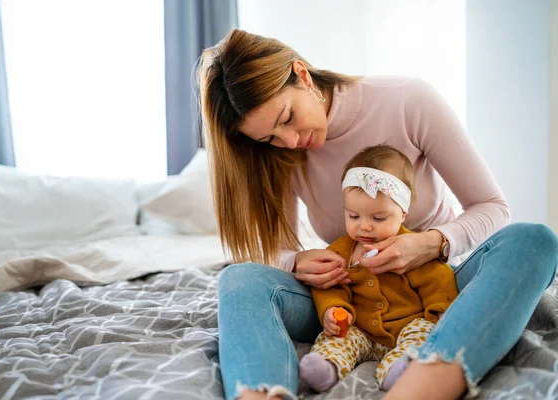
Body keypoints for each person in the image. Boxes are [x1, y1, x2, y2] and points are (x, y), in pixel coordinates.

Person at [197, 28, 558, 400]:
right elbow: (274, 248)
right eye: (268, 139)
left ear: (302, 74)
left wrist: (429, 245)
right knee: (238, 279)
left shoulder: (406, 100)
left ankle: (419, 390)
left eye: (287, 118)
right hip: (348, 302)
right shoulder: (281, 153)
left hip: (436, 289)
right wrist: (295, 261)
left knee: (534, 240)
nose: (288, 142)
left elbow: (493, 208)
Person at [298, 145, 459, 393]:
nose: (365, 227)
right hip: (362, 330)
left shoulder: (411, 248)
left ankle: (400, 369)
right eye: (353, 216)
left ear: (402, 213)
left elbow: (438, 281)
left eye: (378, 218)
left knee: (422, 335)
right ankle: (326, 366)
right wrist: (334, 309)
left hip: (408, 325)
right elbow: (331, 286)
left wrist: (440, 313)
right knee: (338, 339)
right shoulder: (341, 251)